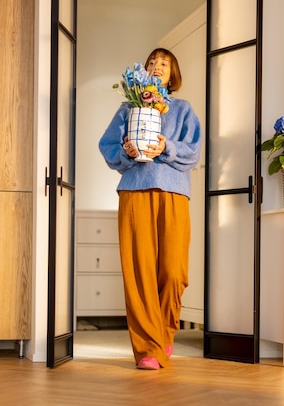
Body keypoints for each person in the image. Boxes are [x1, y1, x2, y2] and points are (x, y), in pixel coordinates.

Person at [99, 48, 202, 370]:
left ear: (173, 74)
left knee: (173, 272)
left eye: (164, 63)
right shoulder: (127, 108)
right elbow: (108, 146)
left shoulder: (183, 110)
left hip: (174, 192)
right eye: (152, 63)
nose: (157, 67)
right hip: (134, 192)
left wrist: (165, 146)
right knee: (139, 273)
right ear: (142, 72)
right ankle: (148, 349)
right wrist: (128, 152)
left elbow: (194, 151)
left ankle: (164, 333)